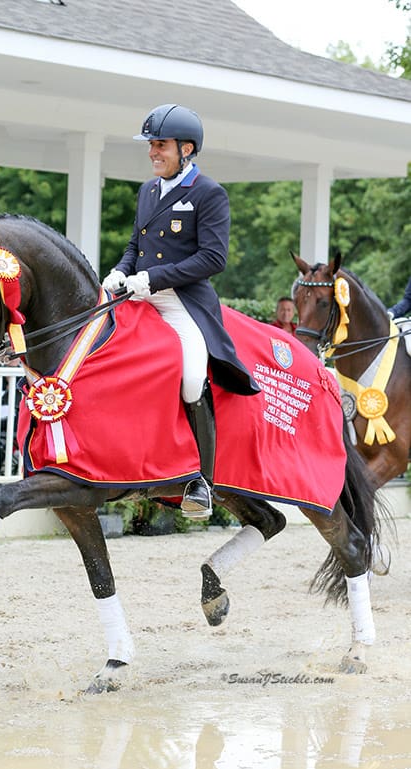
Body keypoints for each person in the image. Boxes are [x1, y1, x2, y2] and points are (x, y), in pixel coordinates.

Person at [102, 103, 259, 520]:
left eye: (161, 145)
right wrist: (120, 271)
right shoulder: (147, 191)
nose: (153, 152)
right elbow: (136, 247)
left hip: (181, 301)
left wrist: (153, 279)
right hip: (137, 292)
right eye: (151, 145)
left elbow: (213, 257)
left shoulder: (208, 193)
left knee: (191, 378)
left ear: (186, 149)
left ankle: (202, 482)